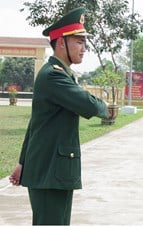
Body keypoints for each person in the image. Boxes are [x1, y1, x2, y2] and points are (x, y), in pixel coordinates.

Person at [8, 7, 109, 225]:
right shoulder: (54, 75)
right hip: (50, 172)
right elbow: (91, 107)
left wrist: (21, 162)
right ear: (61, 42)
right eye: (79, 42)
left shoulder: (60, 74)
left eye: (84, 43)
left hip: (53, 171)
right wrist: (104, 105)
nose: (84, 49)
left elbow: (35, 124)